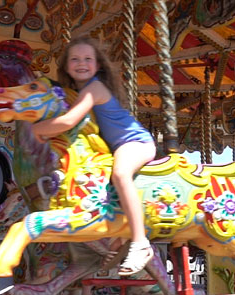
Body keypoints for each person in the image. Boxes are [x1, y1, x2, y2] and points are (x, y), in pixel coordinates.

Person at [31, 36, 156, 277]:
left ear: (98, 65)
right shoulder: (77, 91)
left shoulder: (94, 88)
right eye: (75, 59)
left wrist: (35, 130)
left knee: (120, 173)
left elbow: (69, 121)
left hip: (135, 142)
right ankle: (118, 237)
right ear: (66, 66)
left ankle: (141, 243)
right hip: (115, 148)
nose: (82, 63)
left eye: (88, 59)